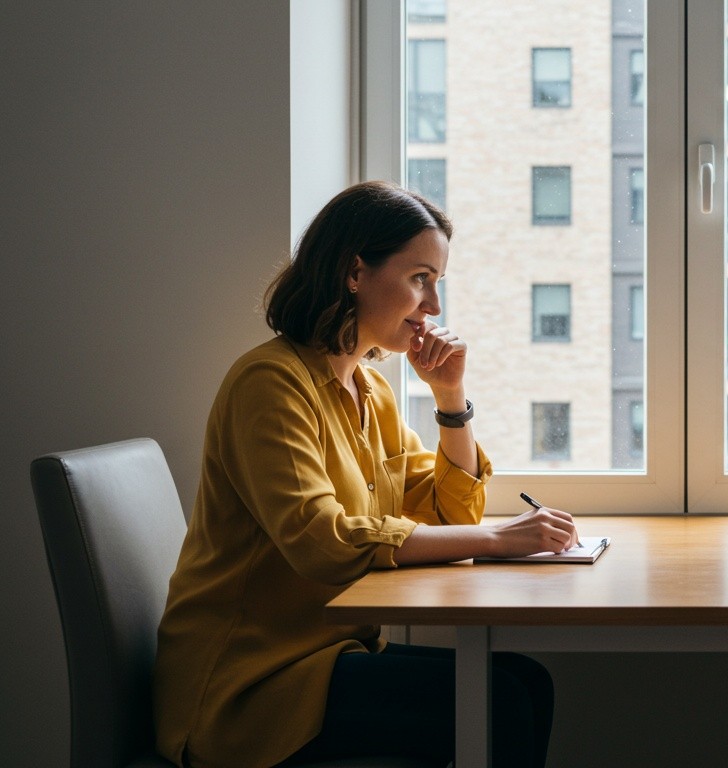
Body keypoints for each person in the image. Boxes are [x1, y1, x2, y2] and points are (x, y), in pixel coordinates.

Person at [153, 181, 577, 767]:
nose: (433, 307)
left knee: (526, 682)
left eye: (437, 283)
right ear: (355, 272)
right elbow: (322, 542)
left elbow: (450, 512)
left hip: (331, 655)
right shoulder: (269, 384)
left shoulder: (370, 389)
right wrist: (498, 539)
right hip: (248, 685)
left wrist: (450, 397)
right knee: (501, 700)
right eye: (420, 278)